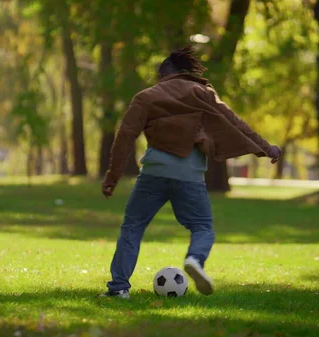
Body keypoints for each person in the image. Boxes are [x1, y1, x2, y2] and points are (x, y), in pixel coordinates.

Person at [100, 47, 281, 299]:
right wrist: (266, 148)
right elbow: (234, 122)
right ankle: (195, 260)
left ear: (163, 74)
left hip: (155, 171)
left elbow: (125, 136)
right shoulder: (202, 92)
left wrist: (112, 177)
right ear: (184, 72)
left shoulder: (146, 96)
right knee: (202, 227)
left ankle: (119, 288)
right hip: (190, 172)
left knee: (132, 227)